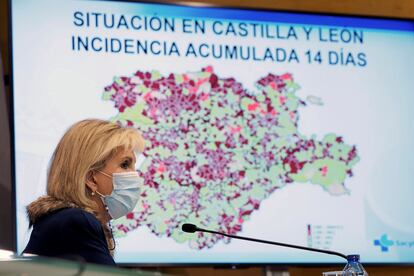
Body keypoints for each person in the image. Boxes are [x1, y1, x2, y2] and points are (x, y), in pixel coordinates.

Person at [23, 119, 145, 266]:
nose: (135, 175)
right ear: (91, 179)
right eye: (125, 164)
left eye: (133, 165)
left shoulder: (64, 219)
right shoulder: (76, 222)